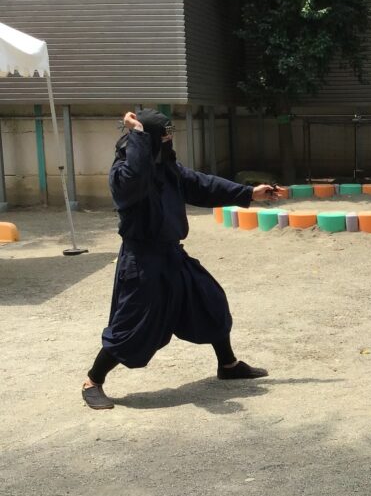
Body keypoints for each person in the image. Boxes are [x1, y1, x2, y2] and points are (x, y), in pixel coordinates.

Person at [82, 109, 279, 410]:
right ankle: (92, 381)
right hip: (142, 262)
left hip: (172, 255)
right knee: (132, 327)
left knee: (210, 300)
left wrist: (249, 193)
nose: (168, 143)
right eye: (163, 138)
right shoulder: (123, 173)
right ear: (146, 140)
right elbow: (135, 179)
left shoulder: (167, 168)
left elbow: (202, 185)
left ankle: (228, 365)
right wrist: (136, 134)